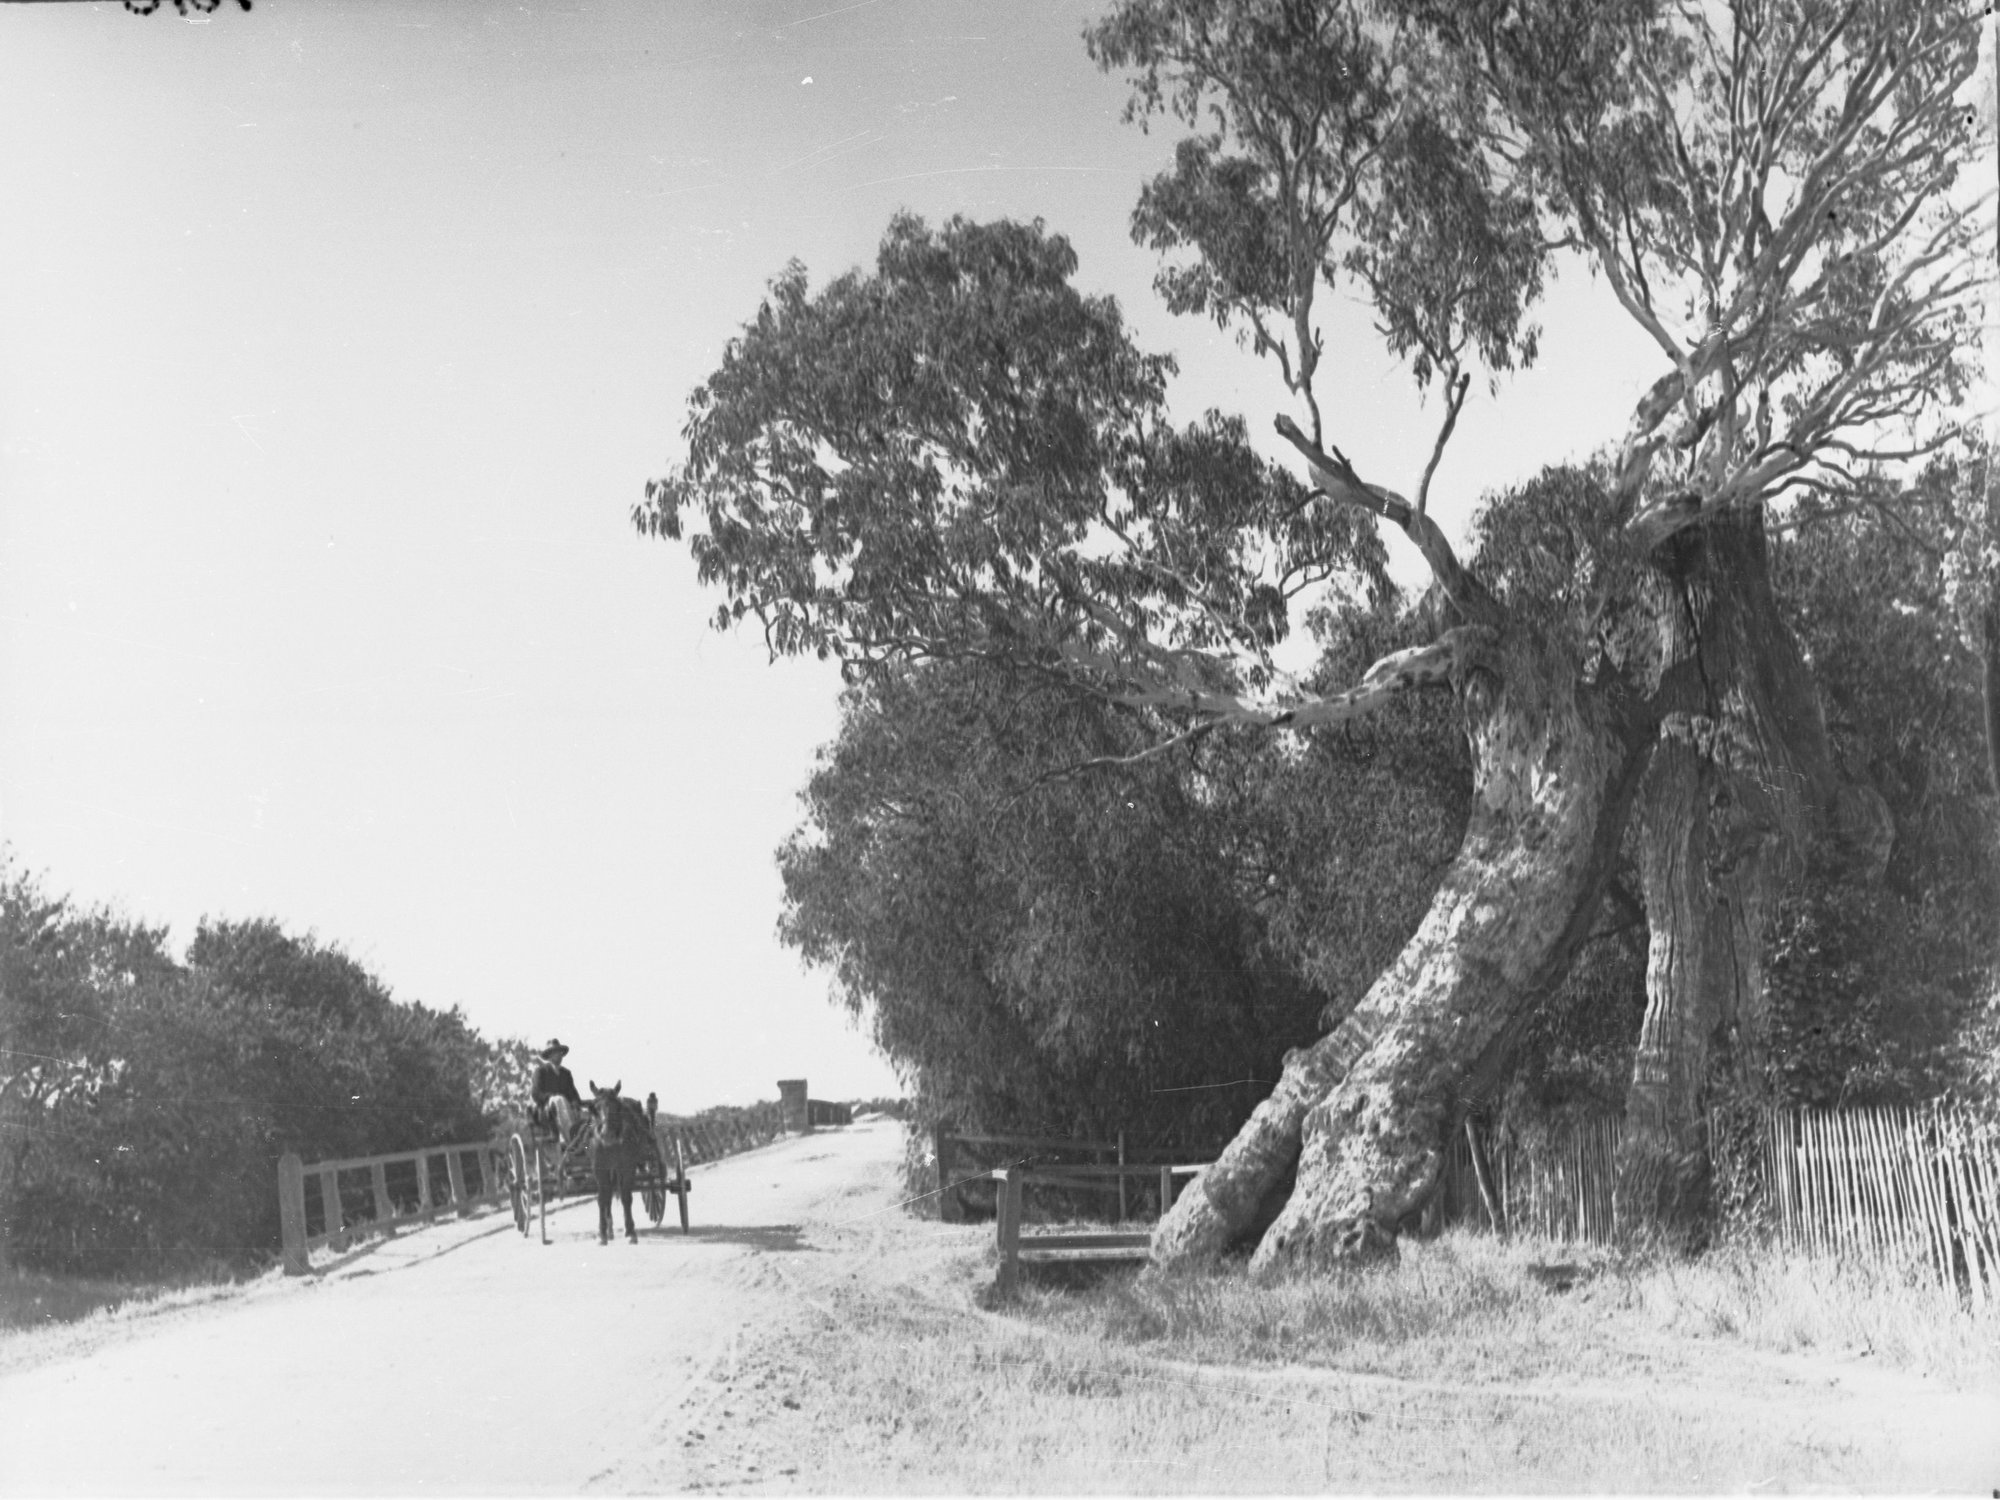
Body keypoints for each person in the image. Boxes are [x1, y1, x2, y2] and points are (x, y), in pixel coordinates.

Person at [529, 1039, 584, 1142]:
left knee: (583, 1110)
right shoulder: (541, 1071)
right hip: (546, 1111)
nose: (559, 1055)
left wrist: (575, 1102)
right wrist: (550, 1097)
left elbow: (573, 1093)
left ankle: (585, 1139)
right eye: (555, 1053)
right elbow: (535, 1093)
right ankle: (570, 1136)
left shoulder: (566, 1073)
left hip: (566, 1108)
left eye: (560, 1053)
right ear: (549, 1056)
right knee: (559, 1099)